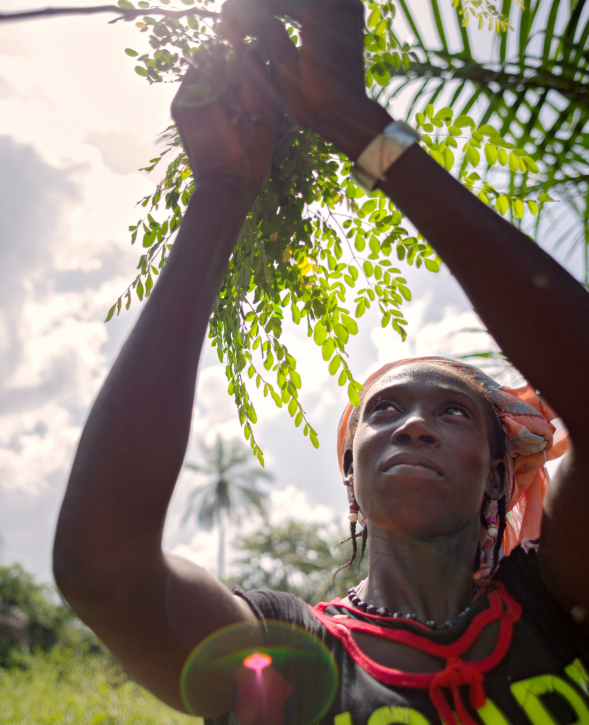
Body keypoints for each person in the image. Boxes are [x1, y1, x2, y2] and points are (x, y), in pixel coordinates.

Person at [52, 0, 589, 722]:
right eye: (384, 411)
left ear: (498, 469)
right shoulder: (294, 655)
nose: (413, 425)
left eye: (453, 410)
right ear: (350, 473)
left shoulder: (554, 602)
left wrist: (360, 128)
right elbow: (104, 572)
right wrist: (220, 189)